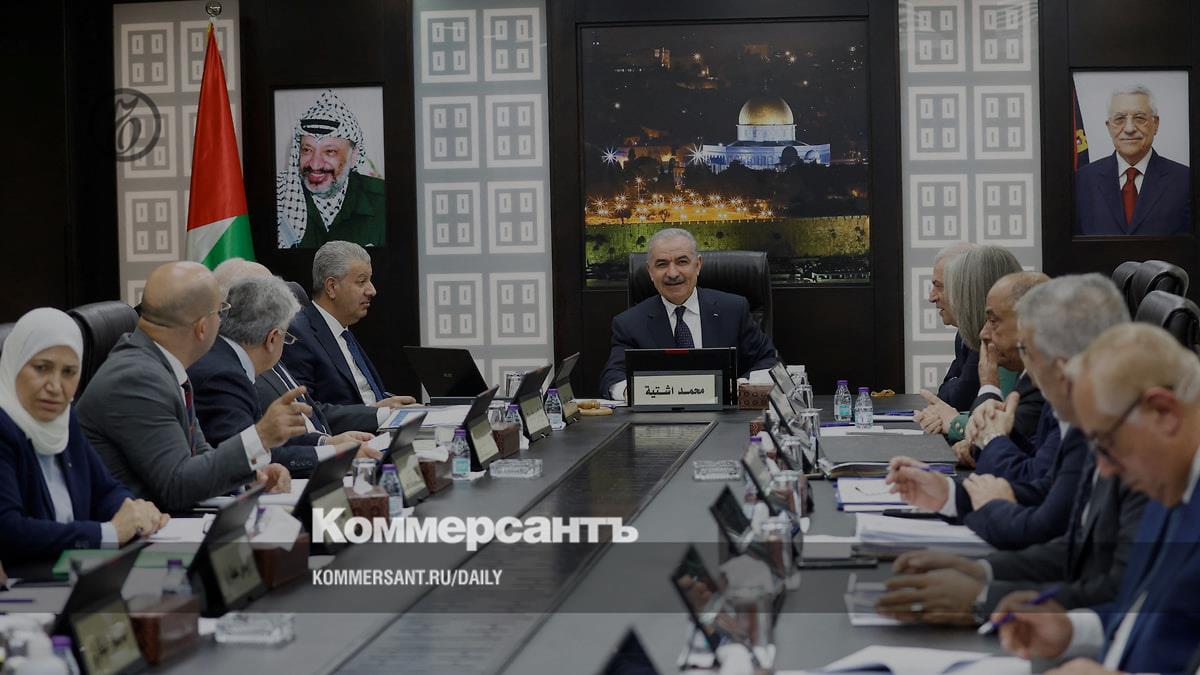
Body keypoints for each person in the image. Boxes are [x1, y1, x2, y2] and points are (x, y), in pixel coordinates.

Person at [994, 323, 1200, 674]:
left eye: (1107, 444)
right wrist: (1072, 630)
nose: (1103, 469)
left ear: (1163, 412)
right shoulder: (1169, 483)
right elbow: (1150, 615)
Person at [888, 274, 1129, 549]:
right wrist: (949, 495)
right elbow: (1046, 486)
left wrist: (992, 441)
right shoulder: (1067, 404)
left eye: (1029, 346)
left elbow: (1044, 520)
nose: (984, 334)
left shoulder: (1089, 418)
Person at [78, 262, 300, 513]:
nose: (223, 321)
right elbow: (177, 486)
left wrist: (249, 476)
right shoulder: (137, 379)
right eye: (221, 311)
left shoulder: (159, 363)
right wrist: (259, 437)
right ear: (202, 328)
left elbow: (198, 456)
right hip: (140, 531)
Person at [0, 308, 168, 567]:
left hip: (74, 572)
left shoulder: (63, 419)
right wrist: (109, 533)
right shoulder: (3, 428)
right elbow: (10, 531)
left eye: (69, 372)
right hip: (26, 581)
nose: (55, 387)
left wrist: (135, 513)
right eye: (41, 368)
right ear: (14, 363)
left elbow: (106, 491)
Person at [188, 276, 371, 478]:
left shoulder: (226, 360)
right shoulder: (225, 377)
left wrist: (326, 442)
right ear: (273, 338)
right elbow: (247, 456)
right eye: (287, 338)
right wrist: (335, 455)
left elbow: (260, 441)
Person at [597, 228, 778, 399]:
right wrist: (631, 392)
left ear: (697, 265)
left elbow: (769, 361)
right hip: (661, 418)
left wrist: (743, 386)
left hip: (726, 416)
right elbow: (612, 377)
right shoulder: (629, 323)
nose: (672, 273)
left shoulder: (733, 310)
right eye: (662, 264)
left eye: (682, 262)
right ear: (650, 272)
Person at [212, 258, 387, 434]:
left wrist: (327, 442)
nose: (372, 290)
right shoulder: (230, 372)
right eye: (269, 295)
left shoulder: (268, 350)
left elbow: (310, 415)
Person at [280, 241, 415, 408]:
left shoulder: (343, 331)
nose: (372, 290)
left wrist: (396, 408)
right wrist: (379, 412)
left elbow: (368, 396)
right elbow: (307, 411)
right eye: (361, 281)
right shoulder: (298, 335)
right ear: (332, 287)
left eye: (370, 280)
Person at [915, 245, 1022, 439]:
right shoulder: (973, 337)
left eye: (943, 287)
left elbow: (1003, 429)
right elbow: (950, 393)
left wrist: (956, 422)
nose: (931, 297)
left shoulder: (1007, 352)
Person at [1075, 84, 1190, 236]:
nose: (1129, 129)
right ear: (1109, 127)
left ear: (1155, 124)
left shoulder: (1186, 180)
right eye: (1119, 119)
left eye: (1140, 118)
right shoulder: (1082, 180)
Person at [277, 90, 385, 249]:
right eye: (307, 149)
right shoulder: (280, 196)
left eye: (330, 151)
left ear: (354, 156)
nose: (315, 164)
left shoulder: (384, 201)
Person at [930, 242, 979, 411]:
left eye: (939, 286)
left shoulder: (985, 335)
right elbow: (945, 392)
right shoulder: (963, 334)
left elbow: (959, 398)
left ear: (964, 287)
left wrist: (955, 383)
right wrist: (955, 383)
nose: (931, 297)